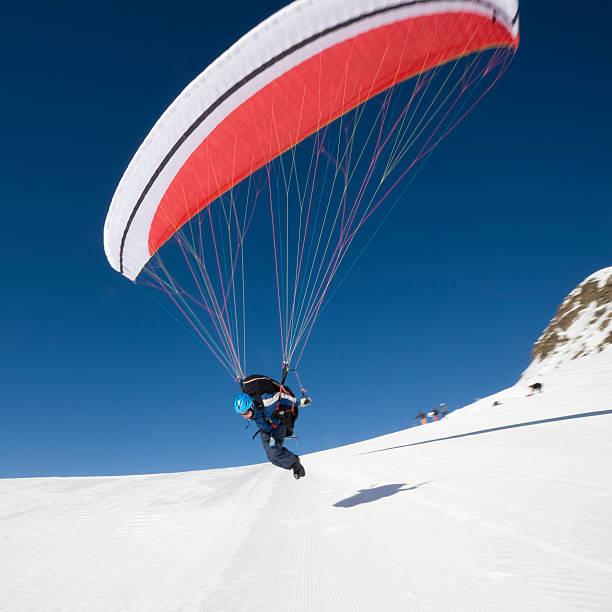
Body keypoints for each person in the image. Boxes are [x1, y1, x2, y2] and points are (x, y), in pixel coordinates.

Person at [234, 374, 306, 479]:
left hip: (276, 428)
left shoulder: (266, 402)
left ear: (252, 407)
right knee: (272, 459)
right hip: (265, 431)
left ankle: (295, 463)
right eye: (242, 415)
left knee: (274, 452)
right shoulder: (250, 412)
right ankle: (292, 464)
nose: (245, 417)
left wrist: (299, 402)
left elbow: (281, 397)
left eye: (245, 413)